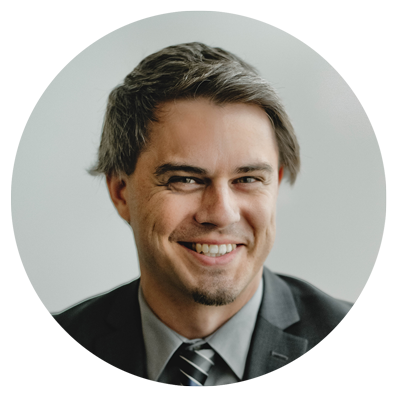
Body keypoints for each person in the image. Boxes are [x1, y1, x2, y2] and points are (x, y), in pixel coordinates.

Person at [11, 42, 386, 386]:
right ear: (120, 191)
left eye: (248, 179)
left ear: (275, 183)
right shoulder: (23, 364)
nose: (221, 213)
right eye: (185, 179)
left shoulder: (380, 360)